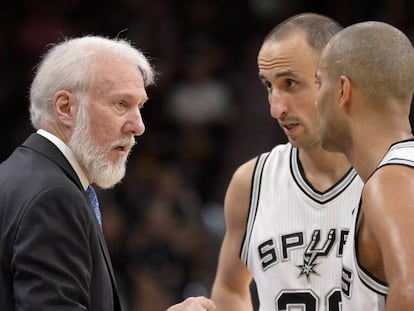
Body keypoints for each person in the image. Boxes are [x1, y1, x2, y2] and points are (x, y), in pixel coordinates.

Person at [210, 13, 364, 310]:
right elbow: (229, 287)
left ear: (340, 83)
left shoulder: (395, 176)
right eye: (269, 86)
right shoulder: (251, 183)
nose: (276, 108)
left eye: (290, 83)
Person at [0, 35, 154, 310]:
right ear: (65, 108)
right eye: (121, 104)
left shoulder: (16, 174)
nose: (138, 126)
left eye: (139, 107)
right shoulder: (54, 197)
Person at [315, 21, 414, 310]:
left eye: (319, 82)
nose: (315, 100)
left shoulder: (392, 180)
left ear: (343, 91)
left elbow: (410, 293)